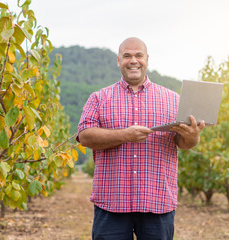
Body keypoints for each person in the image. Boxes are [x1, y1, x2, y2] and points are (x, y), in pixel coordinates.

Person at [77, 37, 204, 240]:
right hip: (112, 202)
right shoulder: (99, 98)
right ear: (118, 60)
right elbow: (84, 136)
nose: (133, 60)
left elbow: (184, 143)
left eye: (138, 55)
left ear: (147, 59)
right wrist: (125, 135)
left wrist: (193, 137)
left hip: (157, 201)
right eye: (127, 56)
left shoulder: (173, 100)